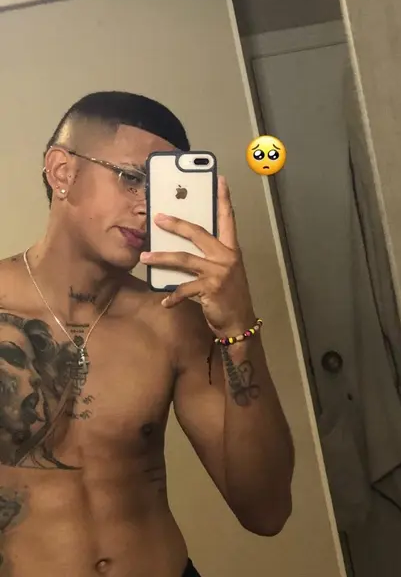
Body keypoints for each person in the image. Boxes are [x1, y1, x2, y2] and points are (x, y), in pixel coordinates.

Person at [0, 91, 295, 576]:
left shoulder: (172, 320)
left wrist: (239, 326)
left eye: (163, 190)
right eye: (132, 178)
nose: (148, 209)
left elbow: (266, 511)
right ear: (62, 172)